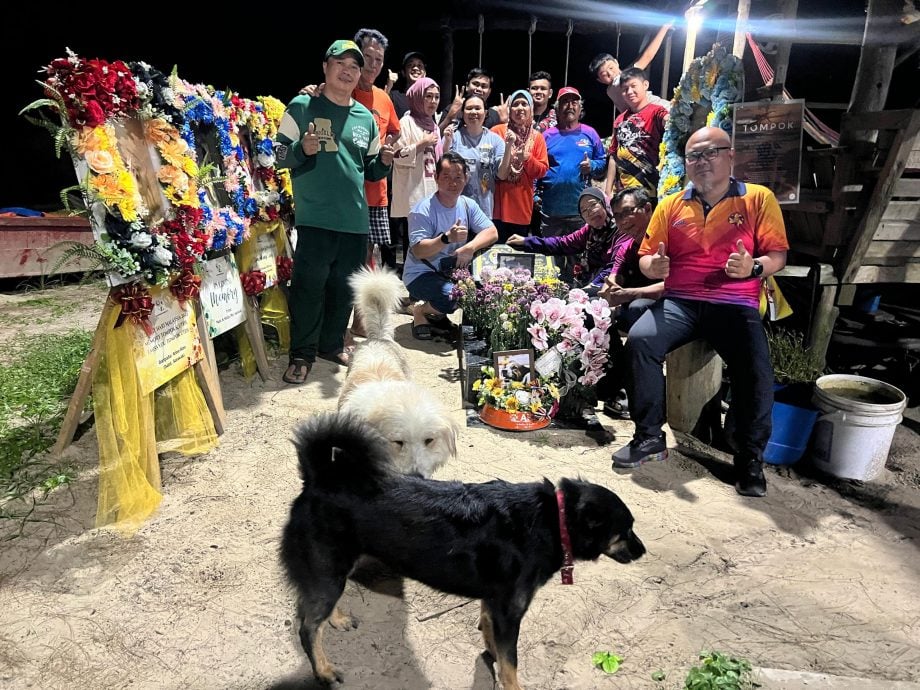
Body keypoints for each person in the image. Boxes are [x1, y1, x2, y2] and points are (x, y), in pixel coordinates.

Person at [611, 127, 789, 499]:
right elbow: (647, 256)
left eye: (711, 153)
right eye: (694, 156)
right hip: (682, 301)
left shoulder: (758, 198)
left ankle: (749, 458)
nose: (702, 161)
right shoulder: (672, 204)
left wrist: (753, 268)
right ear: (686, 164)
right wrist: (652, 268)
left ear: (730, 156)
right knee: (641, 342)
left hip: (735, 303)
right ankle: (648, 436)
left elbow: (777, 256)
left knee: (755, 369)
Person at [274, 39, 396, 385]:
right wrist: (302, 148)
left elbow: (370, 170)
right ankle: (301, 354)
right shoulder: (302, 106)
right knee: (309, 287)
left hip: (355, 222)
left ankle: (331, 345)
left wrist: (384, 161)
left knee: (344, 290)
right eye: (340, 63)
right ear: (325, 67)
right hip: (315, 218)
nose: (348, 70)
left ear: (360, 75)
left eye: (354, 66)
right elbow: (276, 156)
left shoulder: (365, 117)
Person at [402, 152, 499, 340]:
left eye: (458, 178)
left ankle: (437, 313)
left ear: (466, 179)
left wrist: (469, 248)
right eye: (446, 177)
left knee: (484, 292)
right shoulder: (422, 210)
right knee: (453, 295)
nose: (452, 183)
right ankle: (420, 311)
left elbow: (492, 232)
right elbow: (419, 250)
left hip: (451, 272)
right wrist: (445, 239)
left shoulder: (467, 204)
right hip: (420, 274)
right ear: (436, 178)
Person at [596, 187, 666, 418]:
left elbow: (672, 286)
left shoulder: (666, 239)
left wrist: (628, 294)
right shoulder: (628, 246)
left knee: (636, 309)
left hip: (673, 308)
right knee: (599, 315)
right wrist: (608, 295)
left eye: (627, 213)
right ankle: (613, 384)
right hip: (633, 306)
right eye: (616, 216)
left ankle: (627, 388)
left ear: (647, 209)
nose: (622, 221)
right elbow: (614, 277)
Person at [539, 86, 607, 281]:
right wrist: (535, 195)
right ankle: (552, 303)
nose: (570, 106)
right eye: (565, 102)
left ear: (580, 107)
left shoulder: (590, 133)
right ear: (557, 108)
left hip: (580, 213)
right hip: (551, 213)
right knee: (553, 264)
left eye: (574, 102)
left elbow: (603, 163)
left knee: (579, 263)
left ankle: (576, 304)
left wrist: (591, 165)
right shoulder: (547, 136)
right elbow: (538, 167)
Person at [507, 187, 620, 296]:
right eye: (584, 210)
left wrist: (592, 287)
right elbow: (562, 244)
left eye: (594, 204)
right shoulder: (589, 232)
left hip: (614, 285)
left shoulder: (620, 230)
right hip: (591, 284)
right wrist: (527, 241)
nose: (590, 212)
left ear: (605, 203)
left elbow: (615, 266)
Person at [391, 77, 442, 263]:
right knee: (413, 241)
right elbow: (396, 156)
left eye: (436, 97)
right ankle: (412, 282)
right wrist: (422, 144)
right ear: (417, 97)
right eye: (428, 96)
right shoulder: (406, 122)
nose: (433, 101)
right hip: (413, 191)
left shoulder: (434, 125)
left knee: (429, 240)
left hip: (430, 189)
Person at [491, 90, 549, 243]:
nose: (520, 108)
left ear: (531, 109)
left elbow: (542, 170)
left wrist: (527, 158)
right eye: (515, 104)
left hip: (521, 209)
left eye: (525, 104)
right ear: (509, 110)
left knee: (516, 261)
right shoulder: (497, 131)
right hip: (495, 207)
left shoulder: (537, 137)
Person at [603, 66, 668, 199]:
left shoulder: (656, 111)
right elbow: (613, 156)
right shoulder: (620, 120)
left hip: (650, 192)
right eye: (625, 89)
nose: (629, 92)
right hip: (623, 193)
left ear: (645, 85)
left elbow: (668, 121)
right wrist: (608, 191)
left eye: (633, 86)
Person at [442, 94, 509, 219]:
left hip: (483, 212)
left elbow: (502, 174)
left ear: (486, 112)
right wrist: (446, 142)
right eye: (469, 108)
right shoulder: (453, 136)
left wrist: (509, 146)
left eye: (478, 108)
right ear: (462, 113)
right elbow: (443, 169)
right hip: (454, 210)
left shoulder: (496, 140)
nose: (473, 112)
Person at [589, 19, 674, 115]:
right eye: (604, 74)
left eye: (611, 68)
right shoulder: (617, 83)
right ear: (600, 80)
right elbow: (647, 56)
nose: (610, 74)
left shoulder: (610, 91)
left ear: (616, 63)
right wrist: (664, 27)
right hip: (658, 109)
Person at [439, 68, 509, 133]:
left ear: (489, 91)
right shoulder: (452, 109)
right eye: (475, 84)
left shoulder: (494, 115)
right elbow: (437, 139)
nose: (479, 89)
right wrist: (450, 116)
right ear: (467, 86)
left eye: (483, 86)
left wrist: (504, 122)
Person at [389, 51, 426, 118]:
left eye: (420, 65)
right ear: (403, 72)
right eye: (410, 65)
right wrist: (389, 86)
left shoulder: (428, 99)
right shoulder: (394, 97)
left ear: (424, 73)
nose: (415, 68)